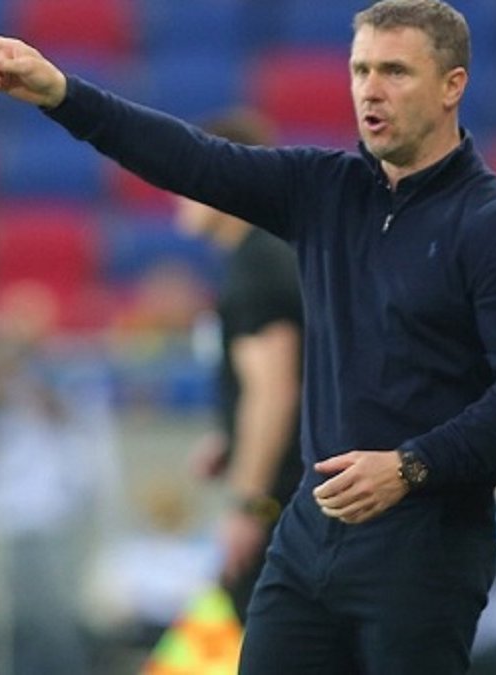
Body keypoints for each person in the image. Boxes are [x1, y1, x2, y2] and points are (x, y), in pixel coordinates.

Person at [0, 1, 496, 671]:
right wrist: (61, 94)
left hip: (425, 543)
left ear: (452, 85)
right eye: (360, 69)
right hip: (307, 534)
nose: (370, 89)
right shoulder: (326, 190)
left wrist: (409, 466)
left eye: (395, 71)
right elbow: (192, 160)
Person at [175, 109, 307, 625]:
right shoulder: (268, 255)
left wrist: (248, 506)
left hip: (284, 503)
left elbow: (273, 392)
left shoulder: (257, 266)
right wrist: (232, 439)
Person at [0, 281, 121, 675]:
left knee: (53, 615)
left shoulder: (61, 368)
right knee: (23, 615)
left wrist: (20, 365)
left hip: (53, 509)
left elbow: (64, 413)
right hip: (13, 511)